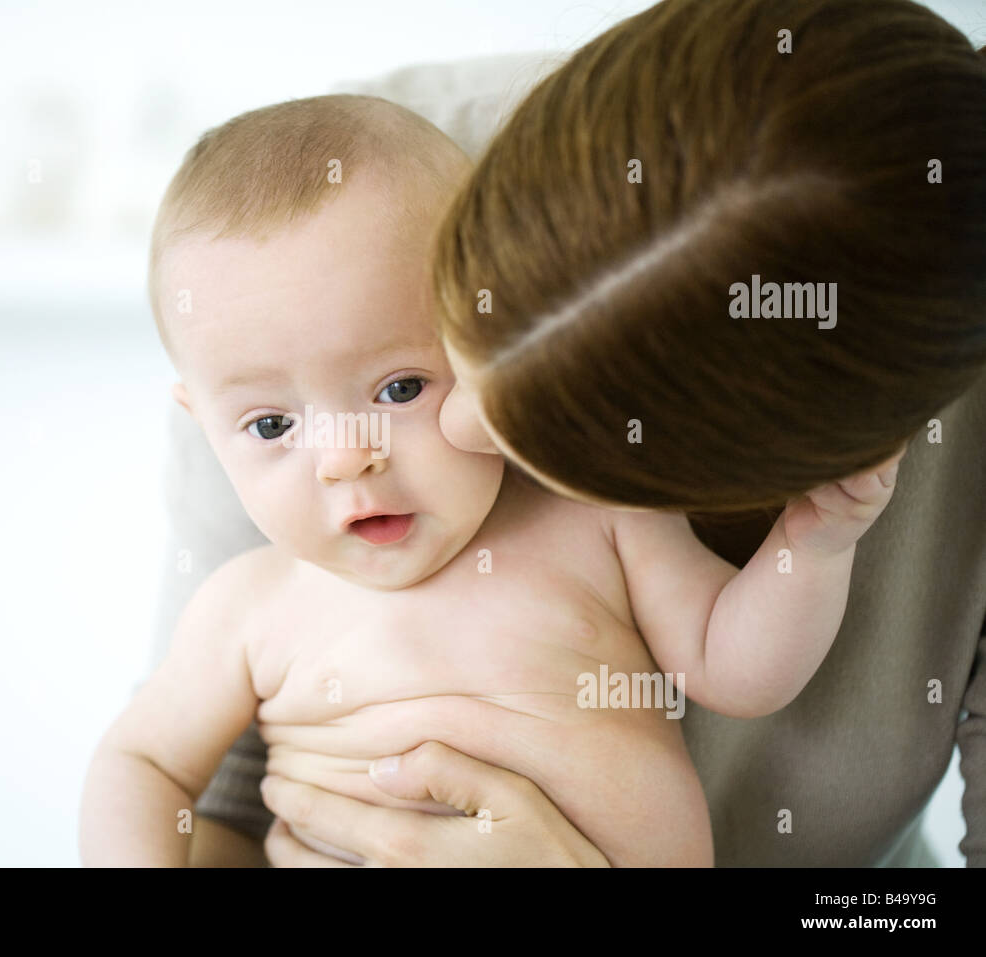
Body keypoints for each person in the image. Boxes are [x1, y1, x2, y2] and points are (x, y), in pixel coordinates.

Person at [172, 0, 986, 867]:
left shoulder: (633, 533)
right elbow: (188, 795)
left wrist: (817, 548)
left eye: (407, 385)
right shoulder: (300, 243)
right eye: (467, 327)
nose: (455, 423)